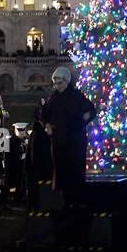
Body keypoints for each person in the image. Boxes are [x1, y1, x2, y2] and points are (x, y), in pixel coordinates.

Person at [40, 66, 96, 207]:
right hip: (59, 141)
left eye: (59, 83)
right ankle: (64, 200)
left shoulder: (76, 96)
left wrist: (85, 117)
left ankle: (77, 200)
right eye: (55, 83)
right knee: (61, 171)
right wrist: (46, 124)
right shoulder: (53, 98)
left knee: (75, 170)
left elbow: (90, 109)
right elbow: (44, 114)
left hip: (74, 139)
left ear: (66, 81)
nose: (57, 86)